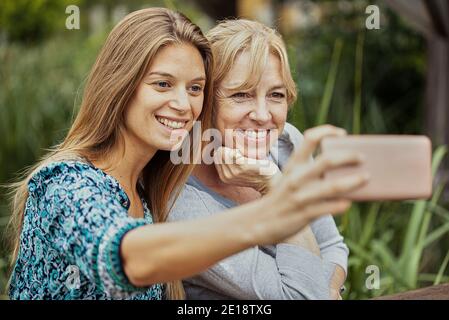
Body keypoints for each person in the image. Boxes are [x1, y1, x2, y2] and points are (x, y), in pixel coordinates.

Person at [7, 8, 367, 300]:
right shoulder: (64, 185)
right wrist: (275, 210)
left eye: (195, 88)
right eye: (163, 84)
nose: (183, 105)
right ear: (119, 86)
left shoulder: (157, 184)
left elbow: (327, 255)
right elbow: (127, 258)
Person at [168, 19, 351, 300]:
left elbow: (331, 245)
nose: (263, 115)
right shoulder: (182, 202)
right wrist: (275, 188)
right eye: (241, 95)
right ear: (206, 100)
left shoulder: (287, 143)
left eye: (276, 95)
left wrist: (325, 291)